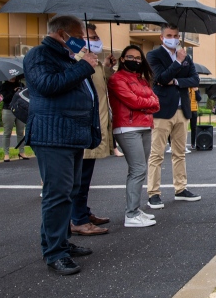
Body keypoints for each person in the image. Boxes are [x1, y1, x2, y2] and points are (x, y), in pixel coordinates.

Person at [24, 15, 100, 275]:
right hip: (52, 135)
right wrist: (83, 66)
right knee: (57, 194)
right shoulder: (39, 55)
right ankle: (55, 252)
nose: (82, 41)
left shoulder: (68, 58)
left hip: (70, 134)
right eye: (78, 35)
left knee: (69, 191)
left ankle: (60, 242)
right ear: (61, 34)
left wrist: (83, 65)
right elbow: (48, 85)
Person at [145, 23, 201, 209]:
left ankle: (180, 188)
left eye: (176, 35)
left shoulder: (186, 56)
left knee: (180, 153)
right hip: (162, 111)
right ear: (162, 37)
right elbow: (159, 78)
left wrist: (176, 80)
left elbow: (195, 79)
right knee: (157, 154)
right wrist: (177, 62)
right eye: (169, 35)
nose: (174, 38)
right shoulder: (154, 56)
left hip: (181, 110)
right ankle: (153, 193)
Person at [109, 45, 161, 227]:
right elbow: (131, 101)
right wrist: (146, 104)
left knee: (139, 169)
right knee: (138, 169)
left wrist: (143, 104)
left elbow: (155, 101)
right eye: (131, 57)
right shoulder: (116, 79)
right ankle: (130, 214)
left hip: (145, 126)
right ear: (122, 59)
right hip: (127, 128)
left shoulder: (142, 79)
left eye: (139, 58)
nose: (135, 61)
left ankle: (135, 209)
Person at [70, 24, 113, 236]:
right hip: (84, 128)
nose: (96, 40)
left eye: (97, 36)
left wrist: (106, 67)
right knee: (80, 179)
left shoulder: (92, 62)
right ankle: (77, 219)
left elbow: (99, 88)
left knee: (85, 178)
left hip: (95, 127)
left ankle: (83, 213)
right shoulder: (76, 61)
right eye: (91, 37)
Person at [0, 75, 29, 161]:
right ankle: (6, 154)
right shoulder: (3, 86)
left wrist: (20, 91)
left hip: (20, 110)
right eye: (11, 76)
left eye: (15, 76)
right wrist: (13, 92)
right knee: (7, 132)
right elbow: (5, 99)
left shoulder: (21, 85)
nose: (13, 78)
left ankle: (22, 152)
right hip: (8, 110)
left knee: (20, 132)